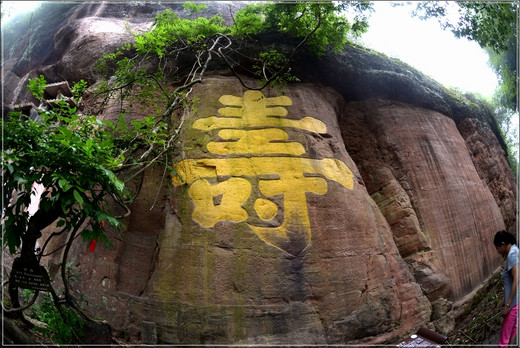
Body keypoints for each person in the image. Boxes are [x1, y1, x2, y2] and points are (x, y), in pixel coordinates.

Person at [494, 230, 519, 347]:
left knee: (503, 340)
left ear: (503, 244)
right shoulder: (514, 251)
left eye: (498, 248)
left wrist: (508, 306)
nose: (498, 252)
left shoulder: (512, 254)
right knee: (513, 330)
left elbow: (516, 279)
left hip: (513, 304)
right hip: (515, 301)